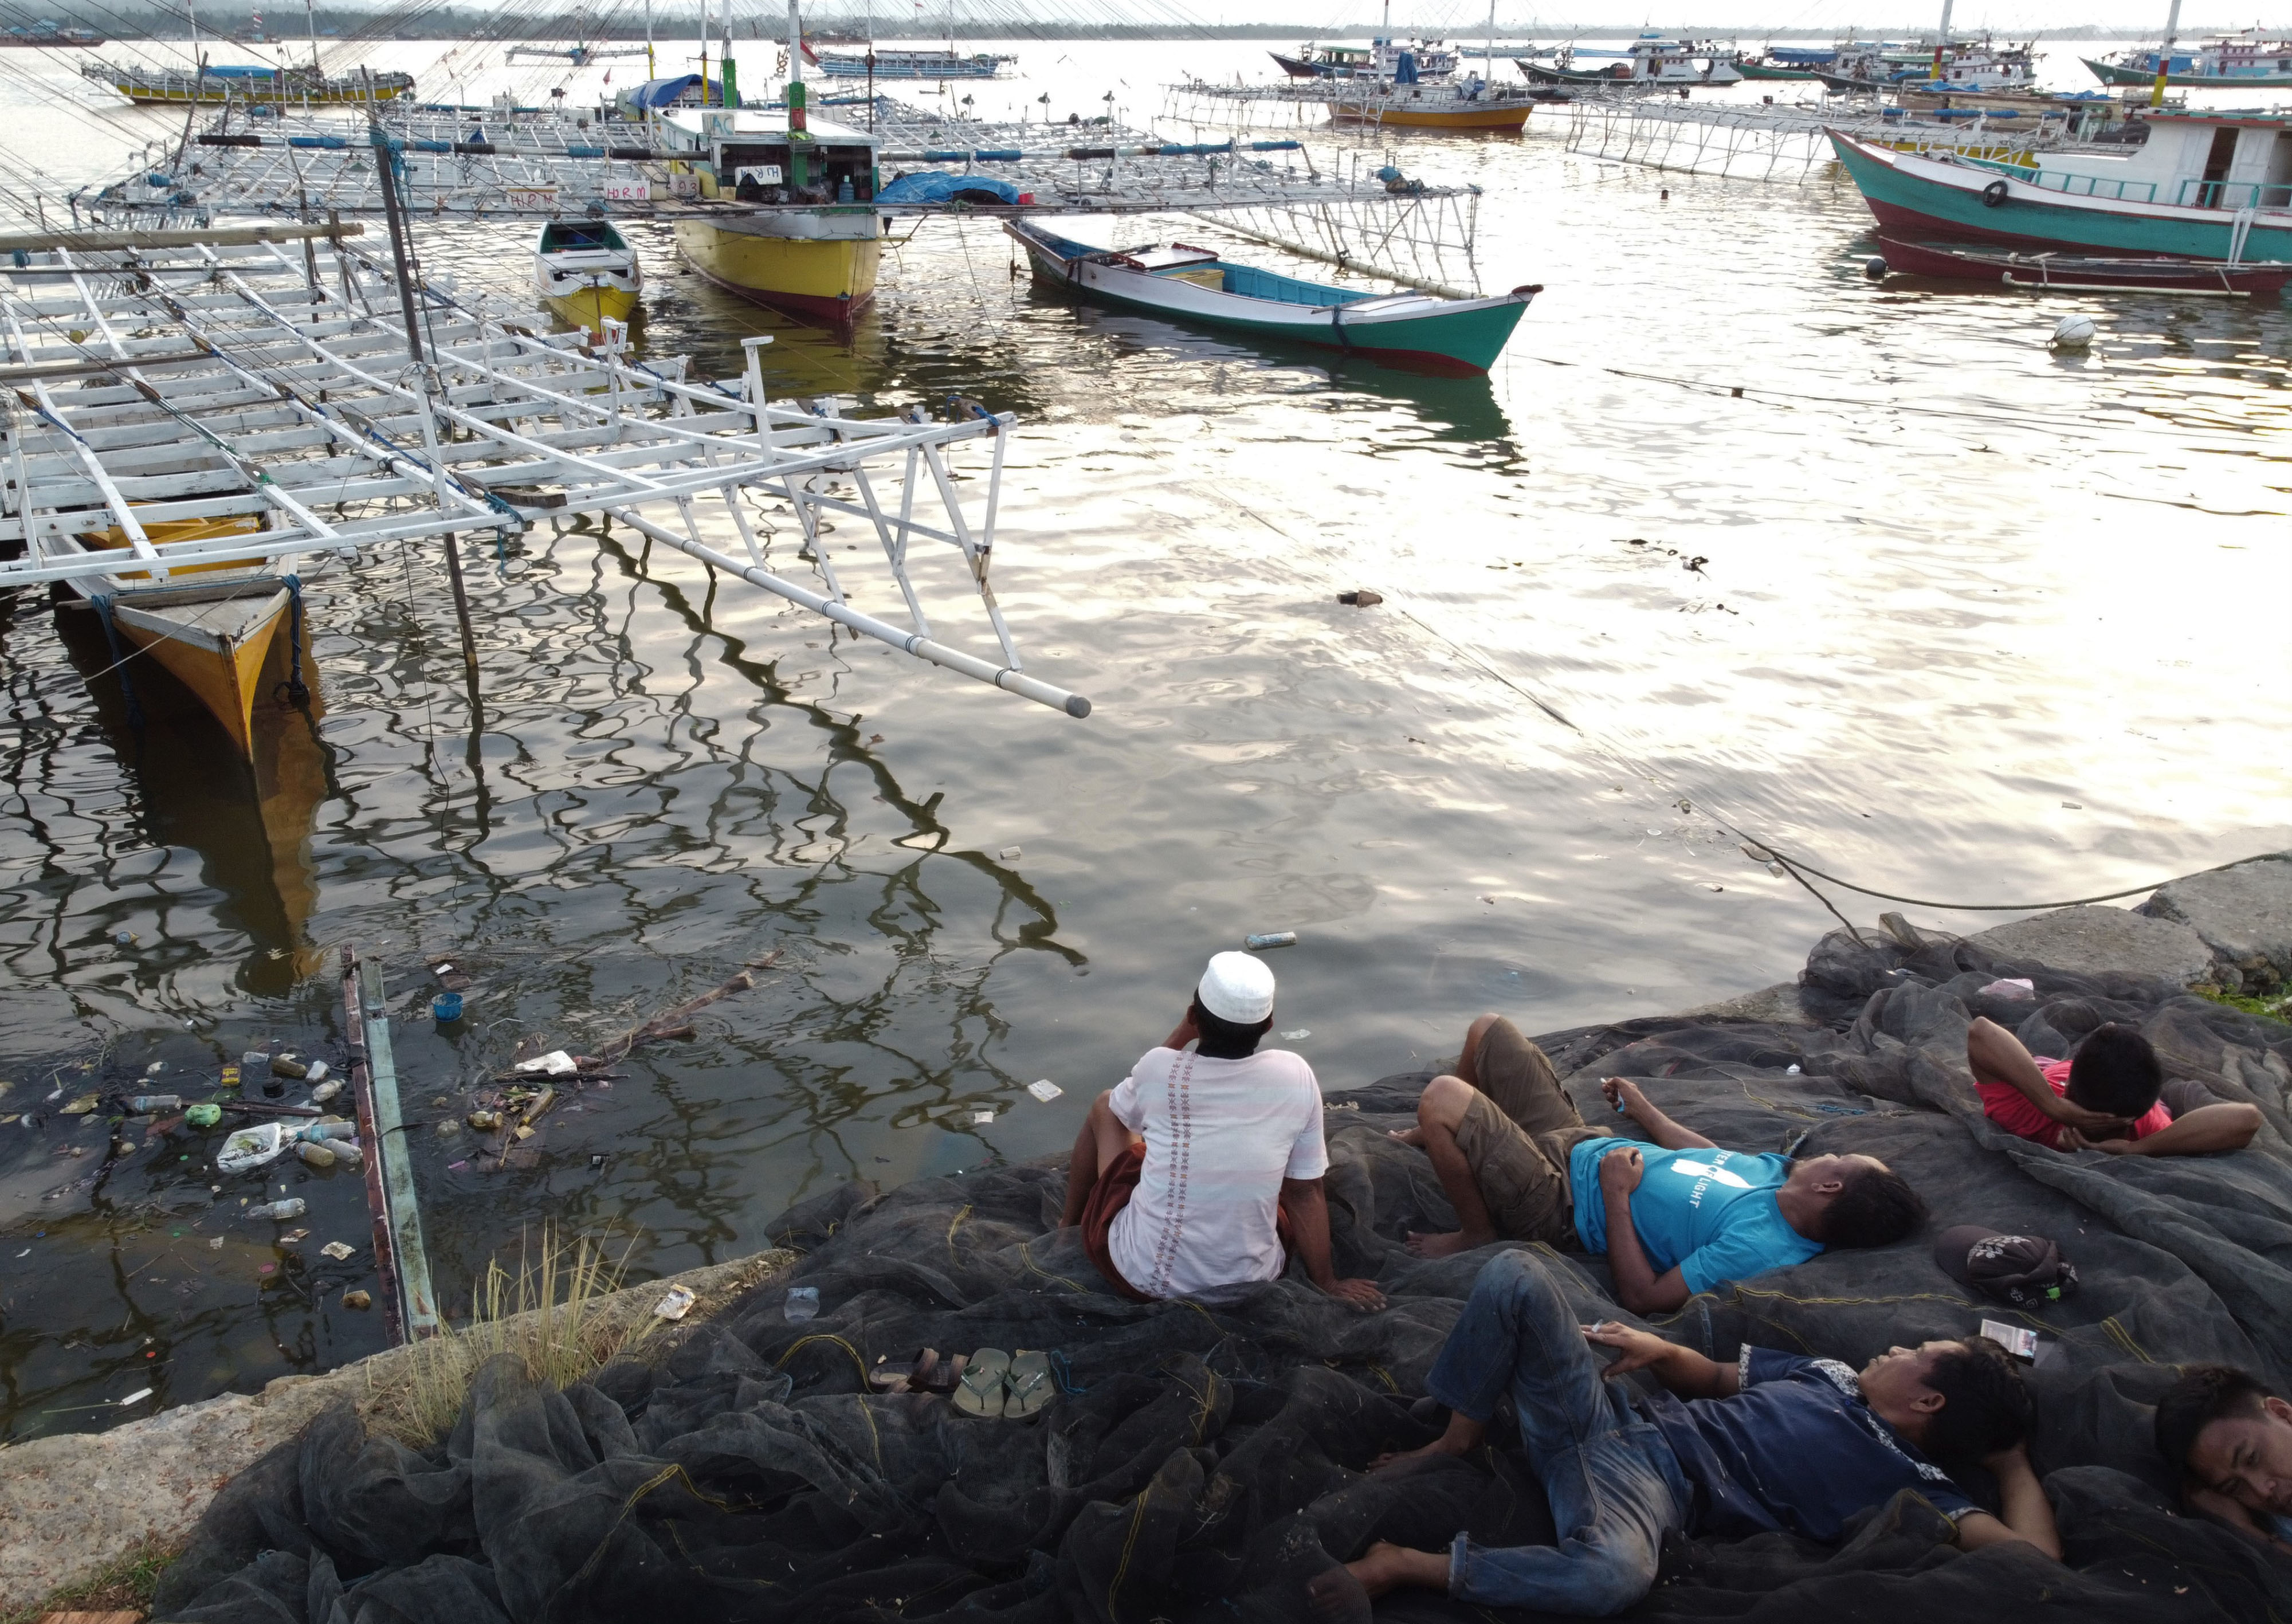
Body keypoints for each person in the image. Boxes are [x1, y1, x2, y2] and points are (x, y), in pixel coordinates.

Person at [1308, 1249, 2059, 1615]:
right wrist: (1660, 1349)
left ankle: (1405, 1563)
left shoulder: (1917, 1485)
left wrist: (2013, 1462)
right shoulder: (1827, 1373)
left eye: (1915, 1354)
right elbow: (1710, 1378)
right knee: (1515, 1273)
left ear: (1927, 1401)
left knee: (1612, 1578)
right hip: (1612, 1419)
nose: (1894, 1347)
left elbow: (2035, 1562)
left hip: (1649, 1493)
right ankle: (1453, 1439)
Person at [1392, 1015, 1926, 1312]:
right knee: (1490, 1031)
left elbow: (1644, 1296)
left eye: (1837, 1158)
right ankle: (1439, 1134)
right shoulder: (1776, 1175)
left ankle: (1476, 1230)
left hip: (1557, 1198)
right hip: (1578, 1141)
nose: (1825, 1153)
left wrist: (1617, 1195)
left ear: (1831, 1186)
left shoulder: (1758, 1248)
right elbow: (1706, 1154)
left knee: (1443, 1094)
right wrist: (1643, 1108)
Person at [1059, 952, 1384, 1310]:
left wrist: (1184, 1031)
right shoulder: (1295, 1074)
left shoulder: (1158, 1068)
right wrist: (1328, 1281)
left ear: (1193, 1016)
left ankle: (1068, 1227)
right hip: (1251, 1281)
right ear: (1269, 1025)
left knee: (1106, 1105)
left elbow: (1129, 1099)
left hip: (1144, 1276)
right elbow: (1304, 1192)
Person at [1965, 1017, 2260, 1156]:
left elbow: (1980, 1030)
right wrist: (2052, 1105)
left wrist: (2135, 1148)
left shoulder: (2021, 1113)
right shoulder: (2151, 1128)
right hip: (2056, 1080)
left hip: (2076, 1081)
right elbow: (1981, 1031)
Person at [2152, 1364, 2292, 1555]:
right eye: (2234, 1487)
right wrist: (2243, 1528)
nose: (2261, 1491)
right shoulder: (2279, 1524)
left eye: (2252, 1458)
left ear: (2282, 1413)